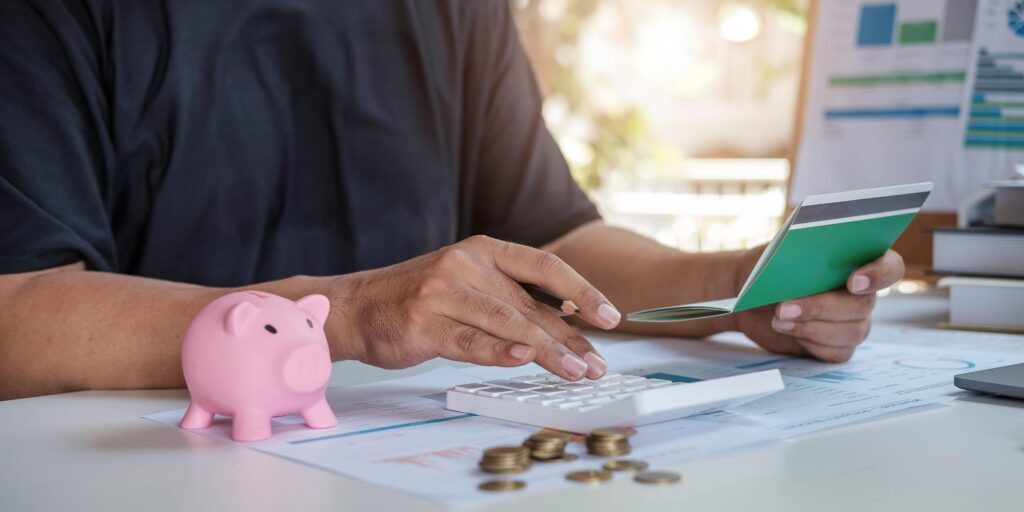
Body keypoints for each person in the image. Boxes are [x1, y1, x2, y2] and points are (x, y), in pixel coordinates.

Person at [0, 0, 903, 401]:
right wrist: (344, 316)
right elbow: (19, 307)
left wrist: (737, 287)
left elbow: (553, 238)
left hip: (412, 454)